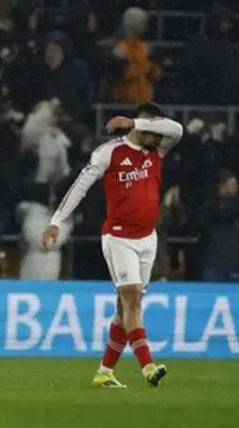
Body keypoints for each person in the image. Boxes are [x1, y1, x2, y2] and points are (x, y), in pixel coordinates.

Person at [43, 102, 183, 388]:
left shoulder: (157, 148)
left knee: (126, 308)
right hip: (119, 238)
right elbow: (80, 186)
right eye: (151, 129)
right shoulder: (110, 152)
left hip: (148, 238)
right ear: (139, 128)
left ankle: (105, 371)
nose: (157, 136)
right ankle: (148, 367)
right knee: (132, 300)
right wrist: (56, 220)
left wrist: (135, 123)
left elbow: (177, 129)